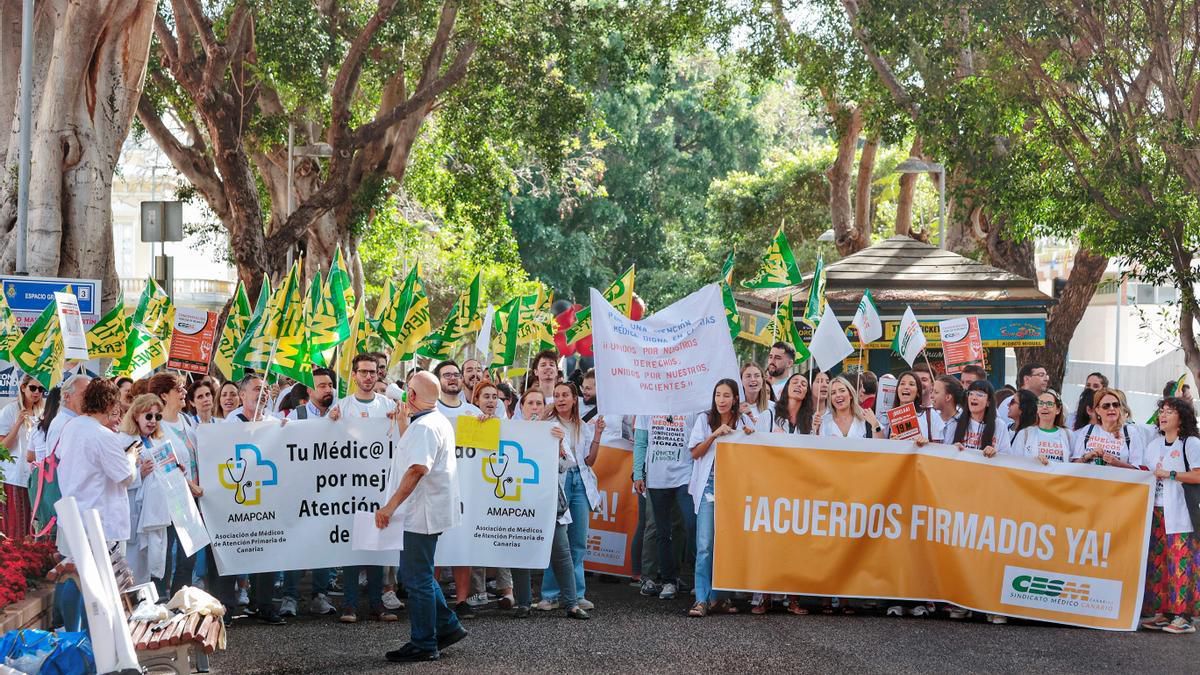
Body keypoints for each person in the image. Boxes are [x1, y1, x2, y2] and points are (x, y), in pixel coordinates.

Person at [375, 371, 468, 662]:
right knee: (418, 575)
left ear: (412, 396)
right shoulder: (432, 421)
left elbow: (417, 469)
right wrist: (404, 423)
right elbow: (415, 454)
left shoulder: (425, 427)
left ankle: (425, 642)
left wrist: (389, 507)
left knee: (417, 579)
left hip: (421, 513)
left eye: (407, 391)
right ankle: (447, 626)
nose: (404, 395)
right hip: (426, 511)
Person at [508, 389, 589, 620]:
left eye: (539, 403)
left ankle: (571, 604)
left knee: (561, 551)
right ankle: (523, 603)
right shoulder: (510, 432)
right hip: (518, 502)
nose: (534, 407)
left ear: (544, 407)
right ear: (521, 407)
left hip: (549, 502)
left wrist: (560, 443)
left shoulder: (553, 431)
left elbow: (567, 465)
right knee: (521, 553)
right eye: (530, 403)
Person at [332, 355, 398, 623]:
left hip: (379, 487)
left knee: (377, 547)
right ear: (354, 375)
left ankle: (376, 604)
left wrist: (398, 419)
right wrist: (331, 421)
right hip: (349, 489)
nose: (369, 377)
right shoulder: (342, 406)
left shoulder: (388, 405)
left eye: (373, 372)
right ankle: (349, 605)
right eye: (364, 372)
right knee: (352, 548)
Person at [276, 367, 341, 617]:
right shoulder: (296, 416)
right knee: (296, 543)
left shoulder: (341, 414)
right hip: (300, 492)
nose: (328, 390)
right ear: (310, 390)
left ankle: (320, 595)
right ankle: (290, 597)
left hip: (329, 493)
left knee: (324, 543)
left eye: (330, 385)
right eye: (322, 386)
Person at [688, 379, 753, 617]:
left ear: (735, 398)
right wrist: (714, 435)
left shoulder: (744, 421)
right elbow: (695, 452)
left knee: (726, 544)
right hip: (709, 485)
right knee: (704, 544)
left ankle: (719, 597)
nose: (721, 400)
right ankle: (701, 599)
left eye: (727, 396)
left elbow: (752, 455)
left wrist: (750, 436)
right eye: (718, 395)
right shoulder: (704, 420)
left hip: (733, 488)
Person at [537, 382, 603, 613]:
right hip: (559, 483)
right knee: (558, 544)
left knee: (578, 542)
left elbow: (590, 461)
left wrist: (597, 435)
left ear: (575, 399)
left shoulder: (582, 426)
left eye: (565, 395)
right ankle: (551, 594)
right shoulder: (546, 424)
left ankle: (576, 593)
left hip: (581, 484)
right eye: (556, 395)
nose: (561, 399)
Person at [56, 379, 143, 551]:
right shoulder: (103, 435)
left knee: (73, 575)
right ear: (111, 404)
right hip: (100, 525)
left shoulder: (71, 426)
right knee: (107, 577)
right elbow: (126, 477)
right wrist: (131, 457)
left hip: (73, 519)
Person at [1142, 397, 1200, 634]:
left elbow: (1197, 475)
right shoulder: (1154, 445)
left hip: (1181, 513)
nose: (1163, 415)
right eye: (1162, 411)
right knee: (1158, 564)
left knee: (1181, 563)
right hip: (1156, 511)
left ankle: (1184, 616)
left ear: (1182, 417)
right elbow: (1144, 472)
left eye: (1170, 411)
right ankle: (1164, 613)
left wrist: (1171, 474)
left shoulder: (1191, 443)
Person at [430, 361, 484, 616]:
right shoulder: (430, 411)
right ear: (437, 380)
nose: (452, 378)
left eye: (455, 374)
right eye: (446, 375)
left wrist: (489, 426)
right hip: (436, 489)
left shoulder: (473, 414)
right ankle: (434, 599)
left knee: (462, 546)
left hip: (466, 491)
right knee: (436, 548)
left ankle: (461, 601)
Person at [146, 374, 205, 597]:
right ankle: (161, 600)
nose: (184, 392)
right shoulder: (157, 426)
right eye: (178, 389)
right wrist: (188, 485)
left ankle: (181, 599)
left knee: (187, 558)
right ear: (163, 395)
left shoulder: (188, 420)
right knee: (166, 556)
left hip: (192, 500)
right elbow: (164, 462)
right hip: (170, 502)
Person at [632, 409, 697, 602]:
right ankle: (662, 579)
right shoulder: (647, 405)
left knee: (688, 526)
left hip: (684, 477)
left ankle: (689, 578)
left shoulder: (689, 405)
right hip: (657, 478)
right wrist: (638, 474)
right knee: (661, 530)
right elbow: (641, 442)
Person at [466, 381, 515, 609]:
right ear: (476, 400)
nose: (491, 401)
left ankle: (507, 591)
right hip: (477, 489)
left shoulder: (507, 424)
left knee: (501, 538)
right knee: (477, 538)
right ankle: (478, 591)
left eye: (495, 397)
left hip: (500, 489)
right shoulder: (469, 421)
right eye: (486, 396)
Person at [1, 375, 45, 539]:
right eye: (33, 388)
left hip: (36, 476)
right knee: (15, 527)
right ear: (23, 387)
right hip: (14, 476)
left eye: (41, 389)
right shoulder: (10, 410)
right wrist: (18, 423)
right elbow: (2, 448)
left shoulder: (41, 411)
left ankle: (28, 561)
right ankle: (13, 562)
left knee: (32, 527)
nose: (37, 393)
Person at [1070, 388, 1146, 469]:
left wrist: (1117, 463)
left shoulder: (1131, 433)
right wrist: (1087, 456)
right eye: (1106, 406)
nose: (1112, 408)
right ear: (1097, 410)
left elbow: (1138, 470)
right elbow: (1073, 466)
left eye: (1116, 405)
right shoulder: (1088, 430)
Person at [1007, 390, 1072, 464]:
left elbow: (1076, 464)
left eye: (1049, 404)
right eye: (1040, 403)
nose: (1044, 407)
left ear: (1058, 410)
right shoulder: (1025, 434)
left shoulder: (1068, 435)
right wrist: (1033, 462)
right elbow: (1014, 463)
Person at [815, 377, 880, 439]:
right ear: (830, 399)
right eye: (833, 393)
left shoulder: (866, 418)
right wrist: (816, 431)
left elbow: (880, 446)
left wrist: (875, 425)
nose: (838, 395)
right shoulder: (824, 422)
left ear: (850, 395)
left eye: (842, 391)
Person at [952, 380, 1002, 458]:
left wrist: (994, 453)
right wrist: (953, 448)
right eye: (971, 393)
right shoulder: (956, 421)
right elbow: (944, 450)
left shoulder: (999, 425)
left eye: (979, 395)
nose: (974, 398)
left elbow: (1007, 456)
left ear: (988, 402)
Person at [880, 372, 930, 441]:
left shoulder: (929, 415)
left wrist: (926, 443)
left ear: (918, 392)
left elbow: (940, 447)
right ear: (897, 390)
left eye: (911, 384)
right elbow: (880, 448)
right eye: (902, 384)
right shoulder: (886, 418)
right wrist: (891, 444)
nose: (906, 387)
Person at [740, 363, 775, 432]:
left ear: (762, 380)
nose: (753, 379)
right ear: (741, 381)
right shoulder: (736, 408)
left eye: (757, 376)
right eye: (748, 376)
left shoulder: (774, 407)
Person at [928, 375, 963, 444]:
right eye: (932, 391)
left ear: (948, 397)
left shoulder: (964, 421)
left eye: (936, 392)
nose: (931, 396)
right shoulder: (929, 418)